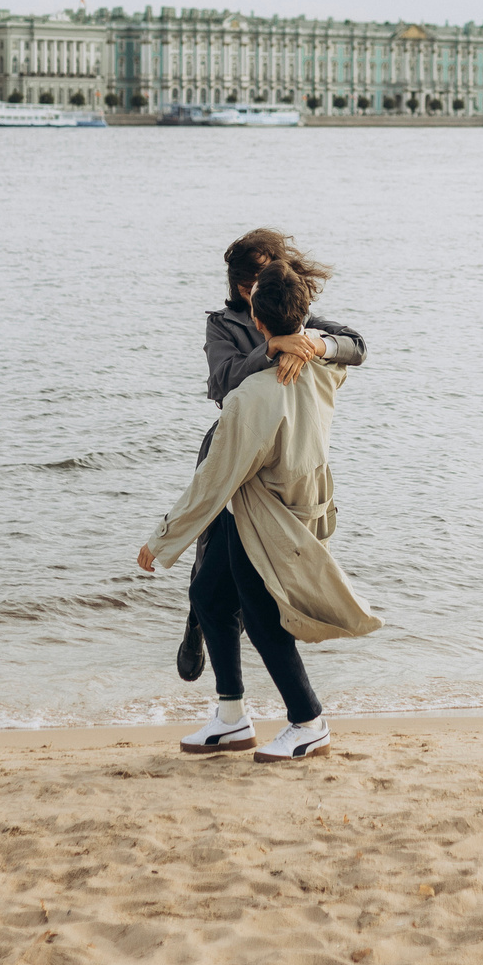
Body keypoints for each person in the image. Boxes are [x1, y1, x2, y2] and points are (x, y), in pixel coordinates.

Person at [138, 259, 380, 761]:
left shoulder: (250, 398)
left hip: (266, 514)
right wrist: (312, 345)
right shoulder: (324, 369)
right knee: (207, 592)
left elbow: (213, 482)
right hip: (274, 503)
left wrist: (162, 542)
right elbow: (345, 350)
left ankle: (308, 721)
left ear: (256, 315)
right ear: (306, 313)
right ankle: (231, 718)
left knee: (261, 616)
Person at [177, 229, 365, 682]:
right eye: (248, 279)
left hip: (282, 452)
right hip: (231, 445)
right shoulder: (223, 325)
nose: (254, 285)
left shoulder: (300, 316)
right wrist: (271, 348)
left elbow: (357, 346)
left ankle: (242, 642)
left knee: (258, 559)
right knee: (208, 551)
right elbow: (221, 383)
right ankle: (196, 623)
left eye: (263, 274)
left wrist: (316, 345)